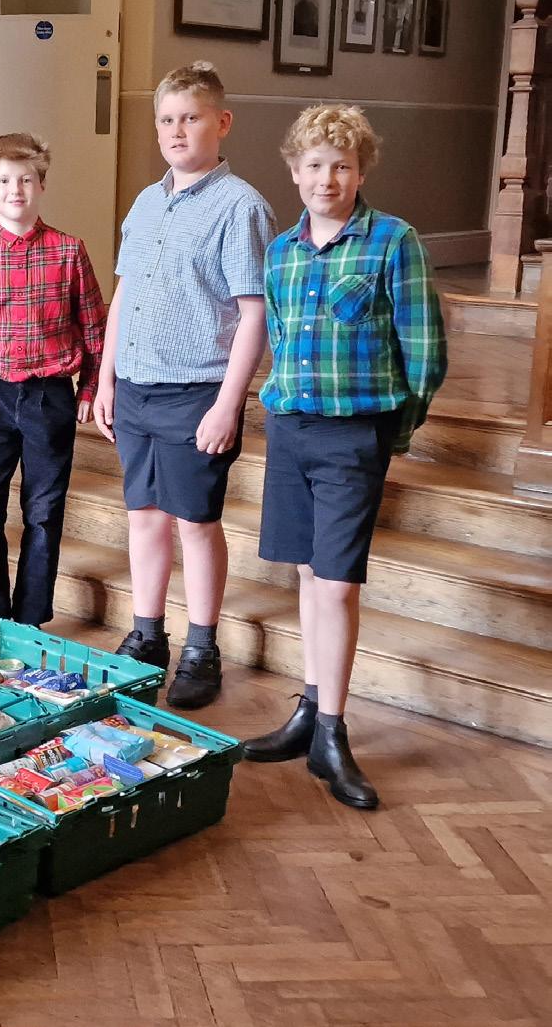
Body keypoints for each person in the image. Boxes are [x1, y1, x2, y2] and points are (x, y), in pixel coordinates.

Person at [243, 104, 446, 809]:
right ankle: (308, 711)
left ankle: (332, 731)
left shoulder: (393, 241)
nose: (326, 178)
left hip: (355, 433)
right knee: (305, 573)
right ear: (293, 170)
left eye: (341, 166)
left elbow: (425, 354)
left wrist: (393, 433)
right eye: (314, 165)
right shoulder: (282, 251)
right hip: (290, 427)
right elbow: (277, 336)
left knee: (336, 584)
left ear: (361, 172)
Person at [94, 62, 276, 709]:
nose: (176, 130)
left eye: (190, 118)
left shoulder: (241, 207)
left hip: (197, 391)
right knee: (144, 517)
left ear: (221, 122)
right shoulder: (146, 203)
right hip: (135, 386)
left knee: (195, 523)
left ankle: (202, 647)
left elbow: (254, 312)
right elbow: (123, 295)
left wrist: (230, 403)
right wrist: (106, 376)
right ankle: (147, 636)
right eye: (166, 119)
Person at [0, 133, 105, 627]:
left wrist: (90, 388)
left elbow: (94, 329)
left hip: (48, 397)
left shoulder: (69, 251)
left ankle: (30, 618)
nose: (16, 190)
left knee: (43, 511)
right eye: (5, 180)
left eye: (27, 180)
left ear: (42, 185)